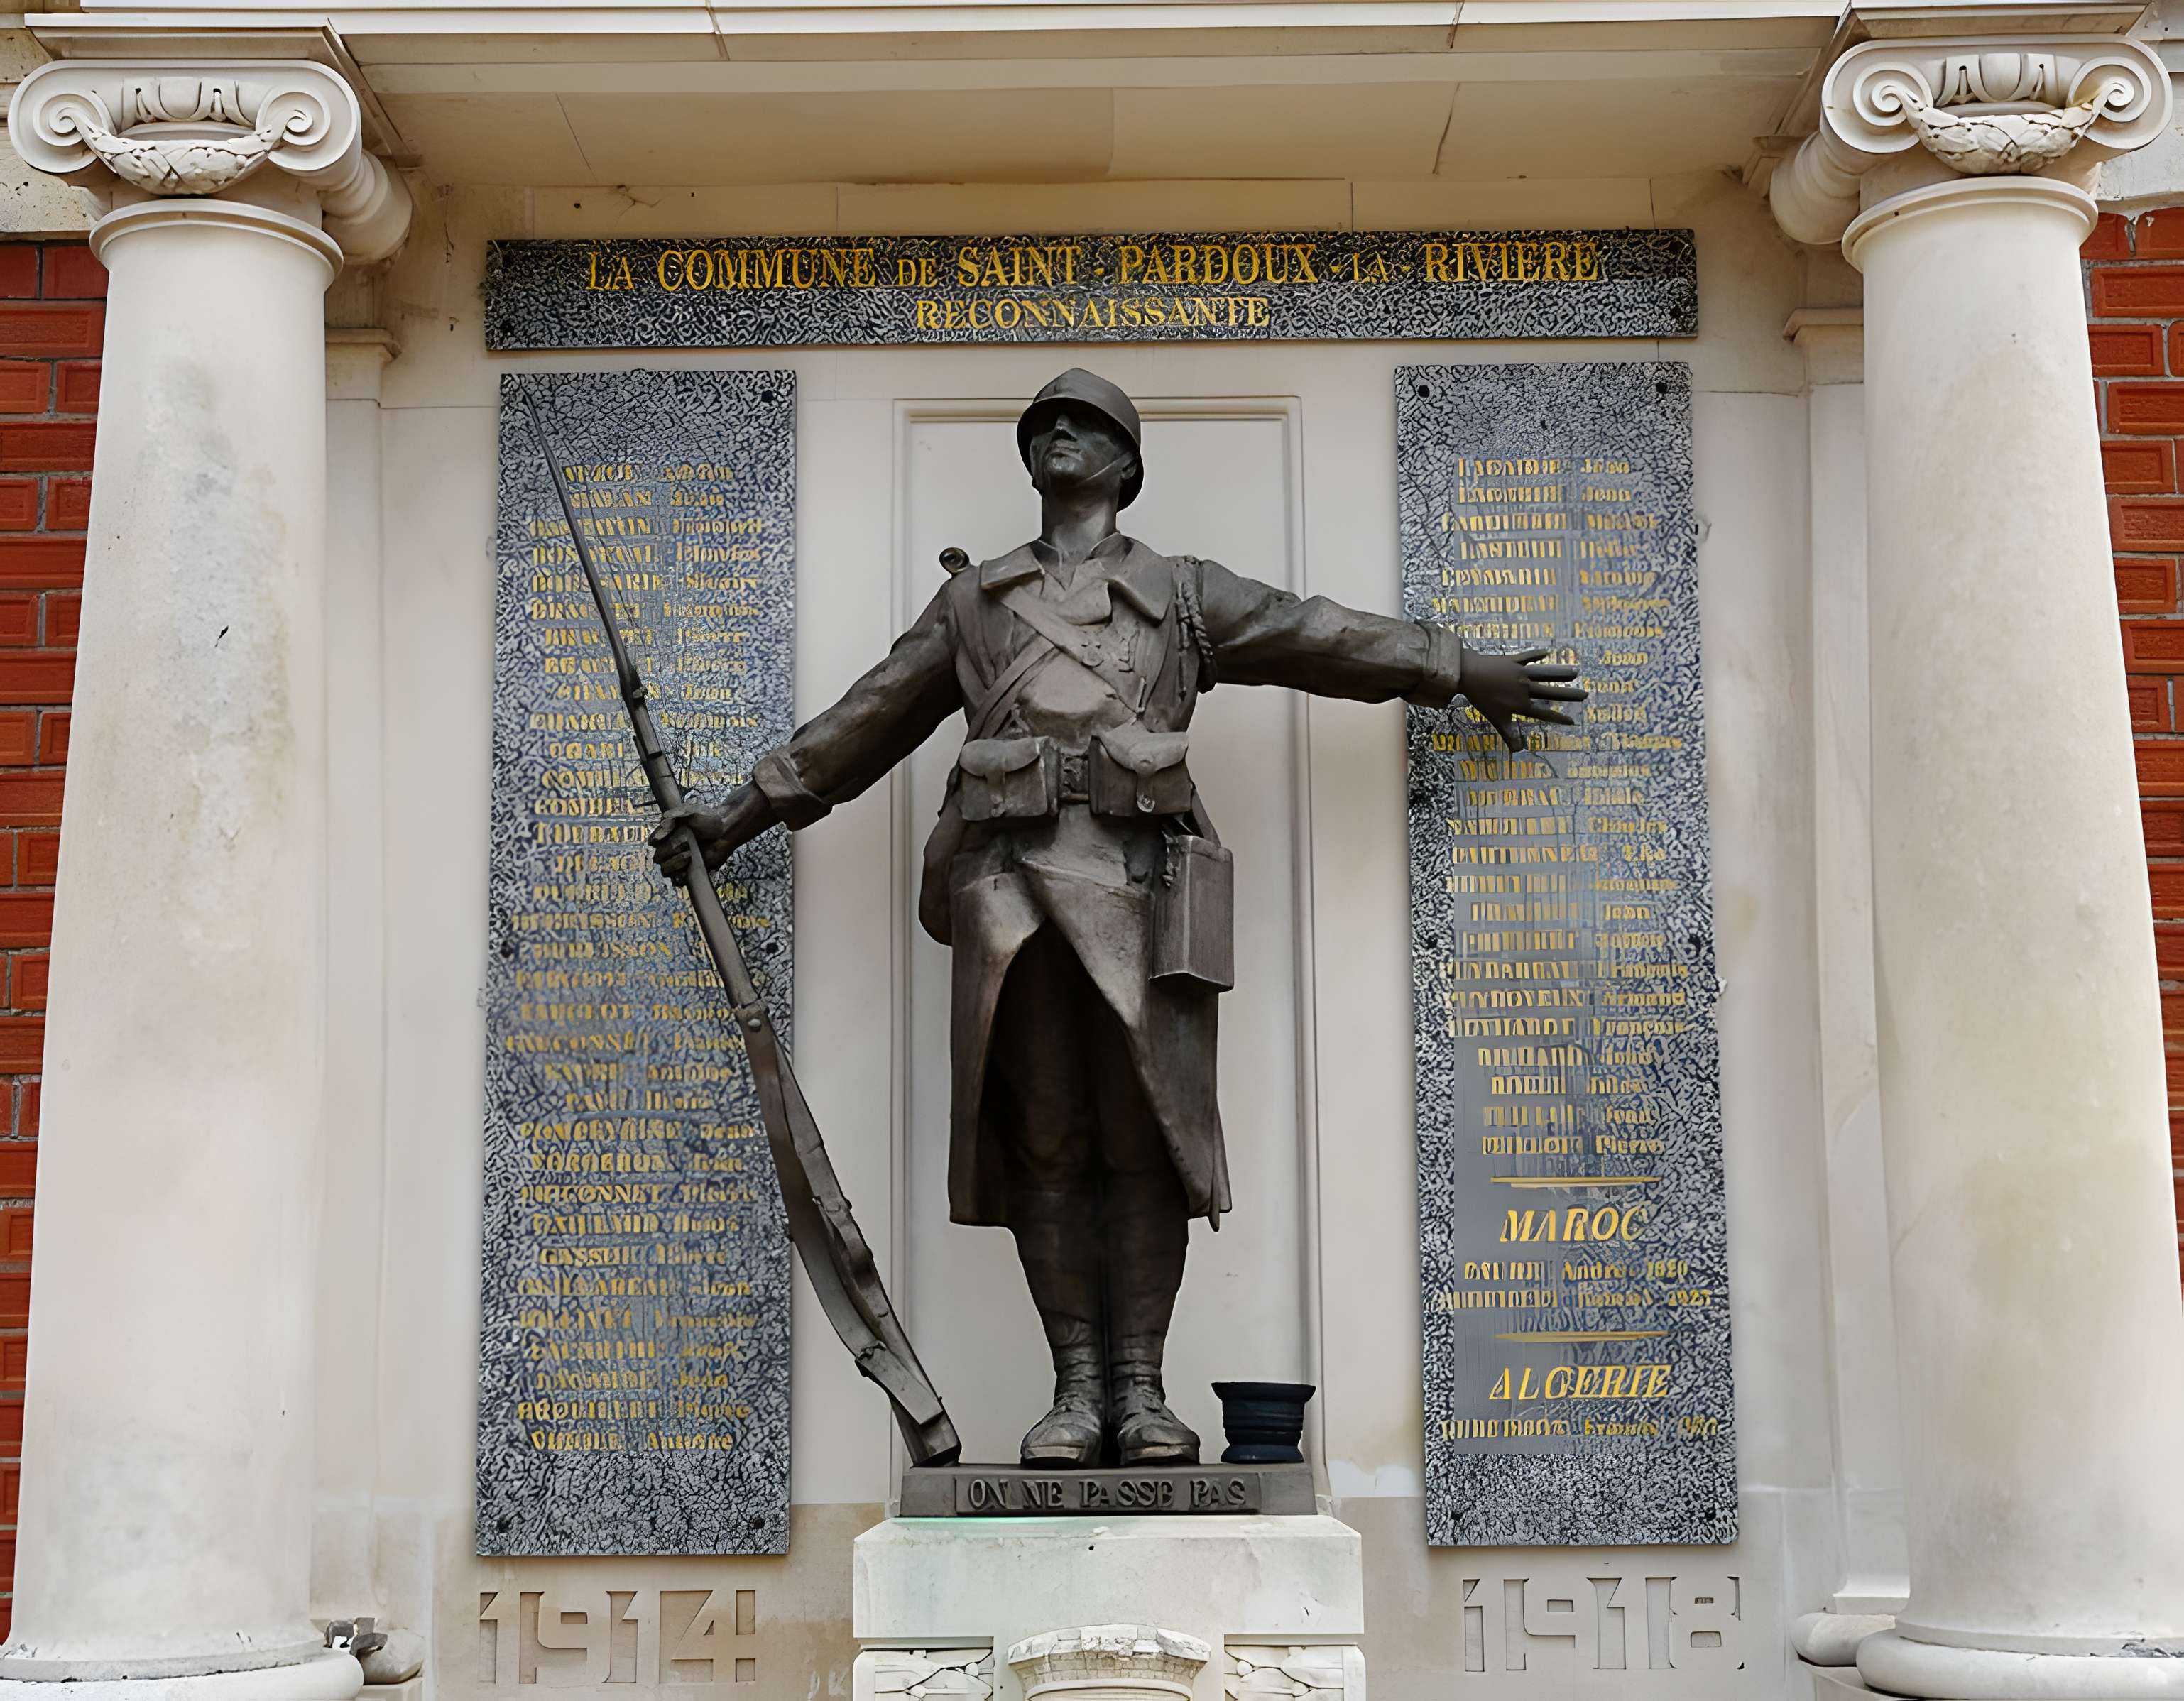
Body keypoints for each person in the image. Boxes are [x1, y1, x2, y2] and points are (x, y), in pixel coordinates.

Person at [653, 368, 1583, 1467]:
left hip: (1143, 895)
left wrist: (1453, 667)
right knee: (1046, 1139)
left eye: (1084, 424)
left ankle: (1141, 1392)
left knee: (1148, 1138)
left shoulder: (1182, 595)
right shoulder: (974, 604)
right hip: (1012, 898)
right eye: (1043, 423)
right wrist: (737, 816)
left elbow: (1313, 634)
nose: (1058, 433)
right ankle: (1074, 1391)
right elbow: (865, 722)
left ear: (1128, 468)